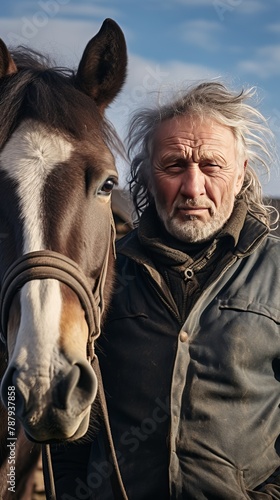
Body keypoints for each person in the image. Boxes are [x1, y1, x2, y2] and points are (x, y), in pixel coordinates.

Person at [48, 81, 280, 499]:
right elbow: (71, 405)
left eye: (212, 166)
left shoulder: (276, 270)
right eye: (173, 166)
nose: (192, 188)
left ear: (242, 171)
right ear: (146, 177)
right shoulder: (104, 272)